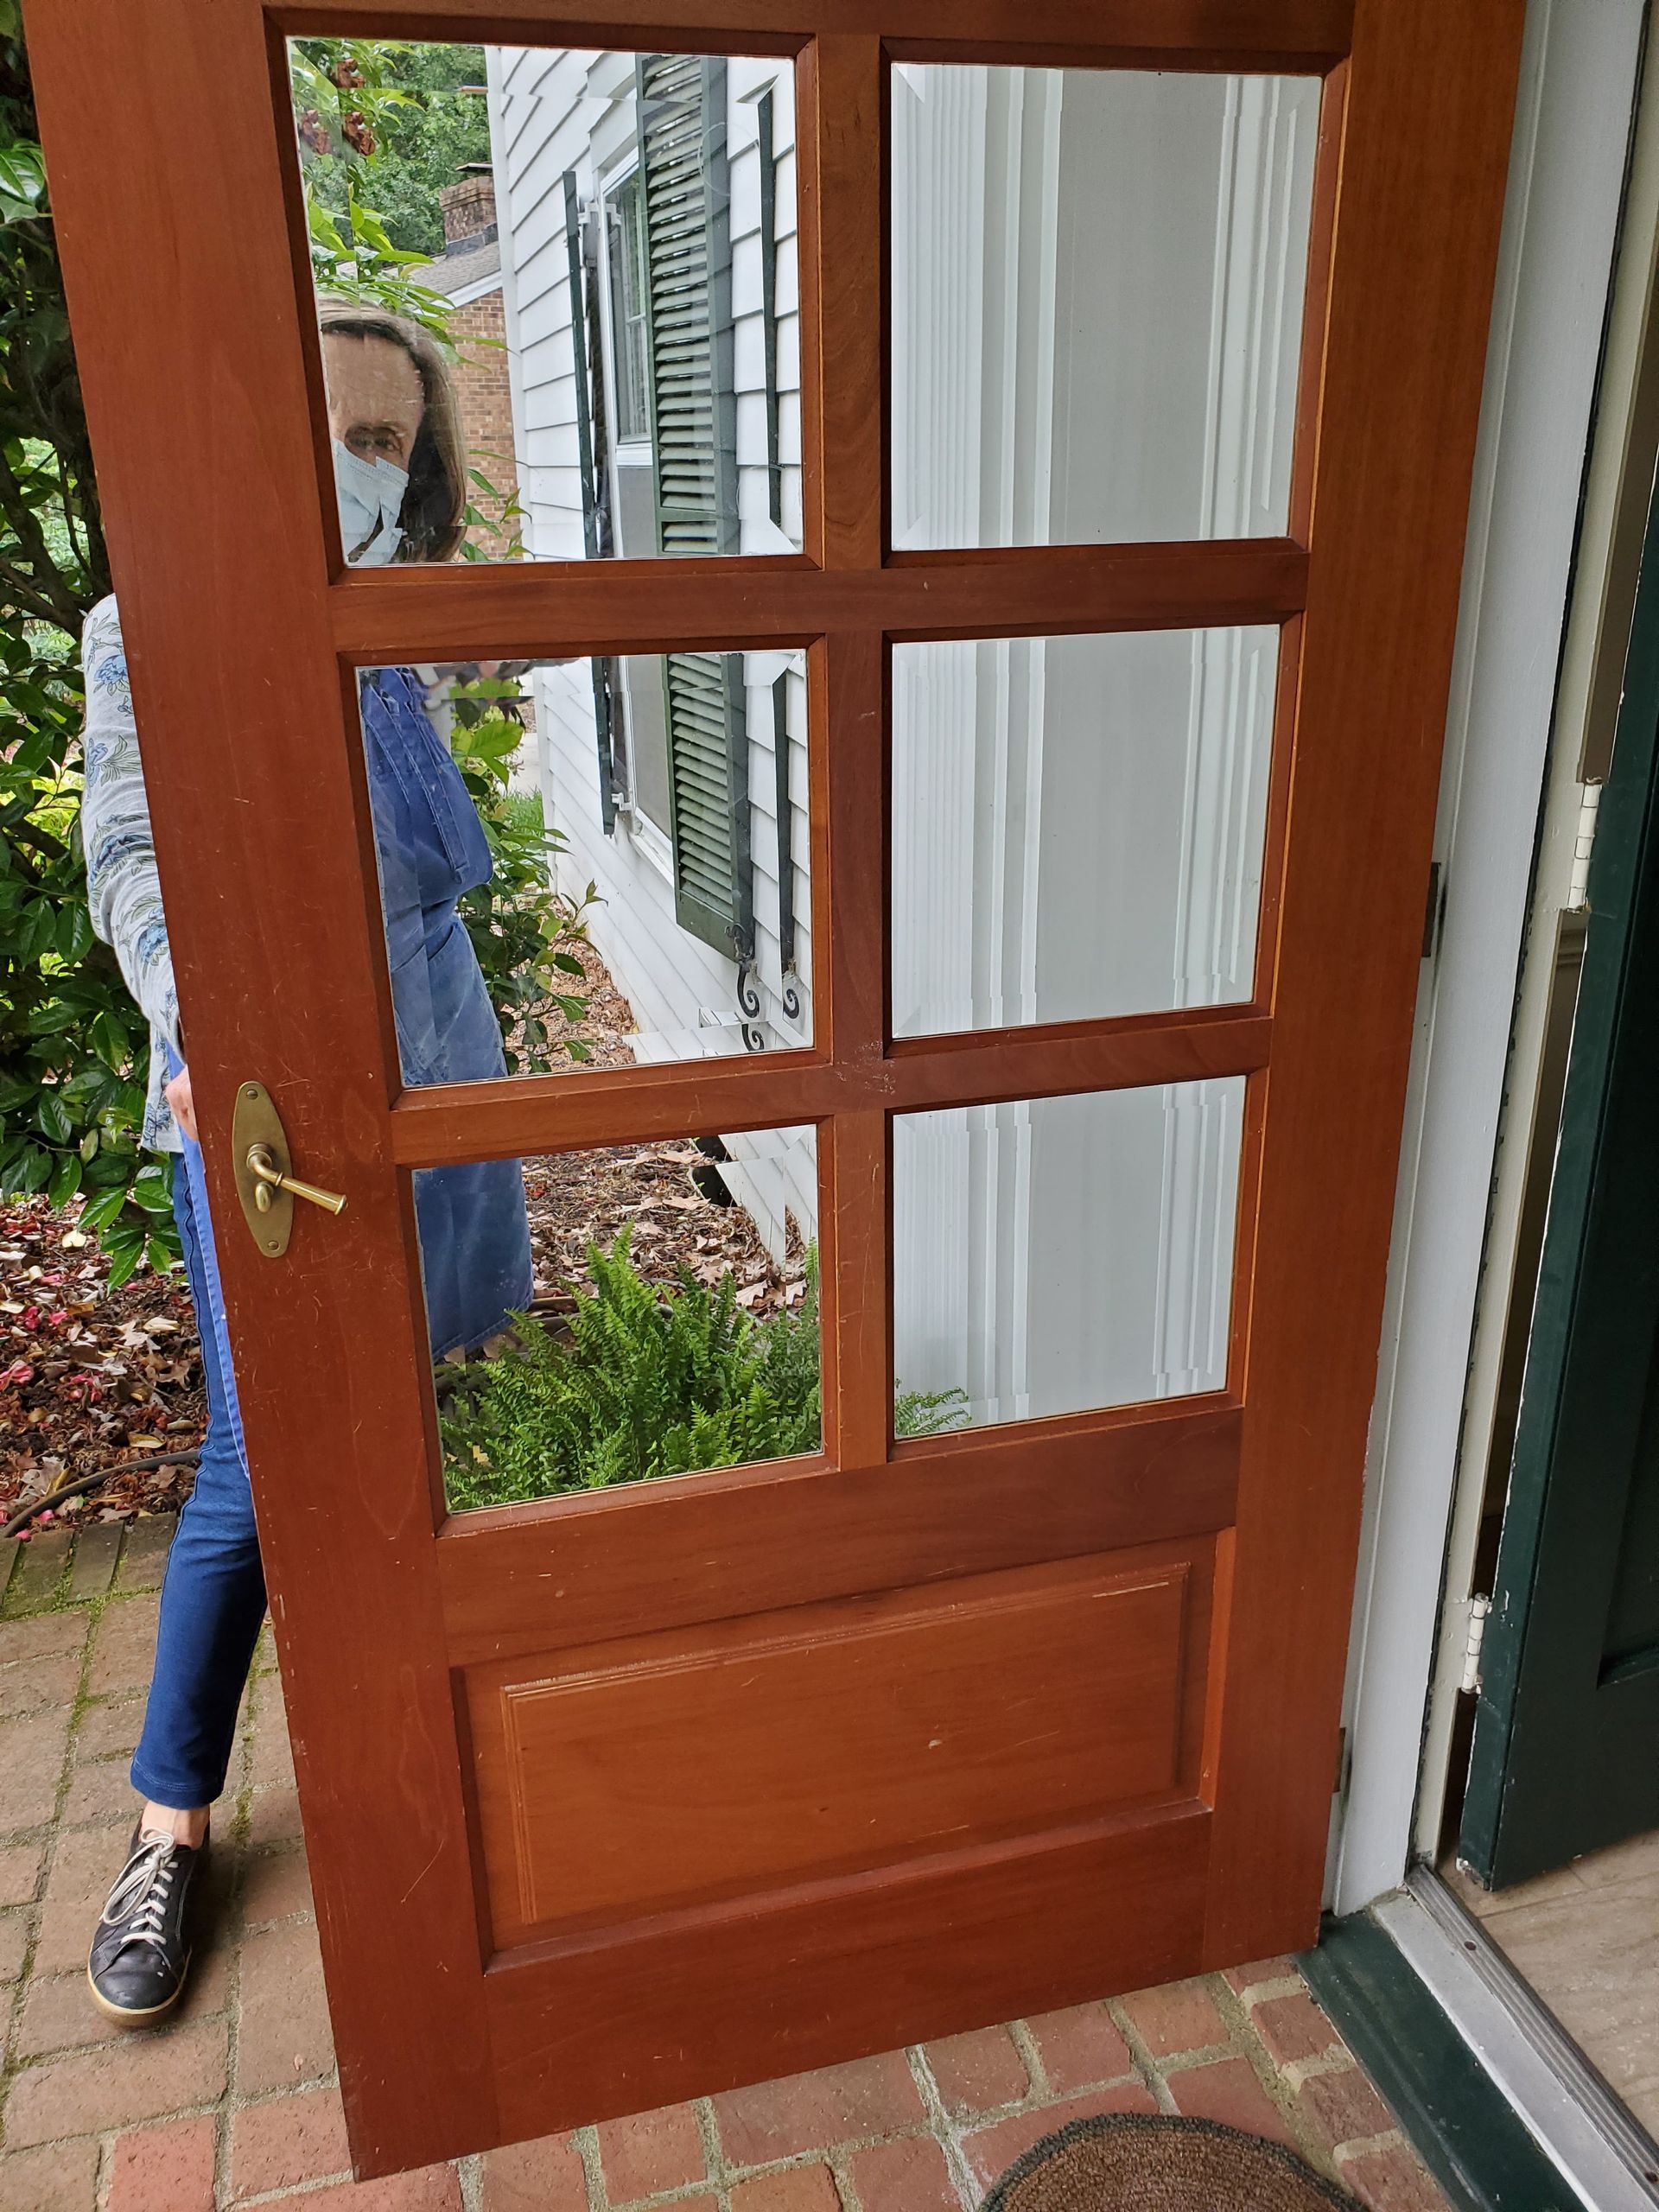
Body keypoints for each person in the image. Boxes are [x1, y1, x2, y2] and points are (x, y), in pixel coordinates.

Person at [79, 302, 532, 2026]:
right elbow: (130, 847)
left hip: (436, 1051)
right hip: (259, 1095)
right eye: (325, 426)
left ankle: (426, 1768)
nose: (350, 464)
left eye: (384, 441)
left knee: (449, 1393)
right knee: (265, 1455)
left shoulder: (405, 623)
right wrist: (198, 1024)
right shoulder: (147, 624)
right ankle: (167, 1819)